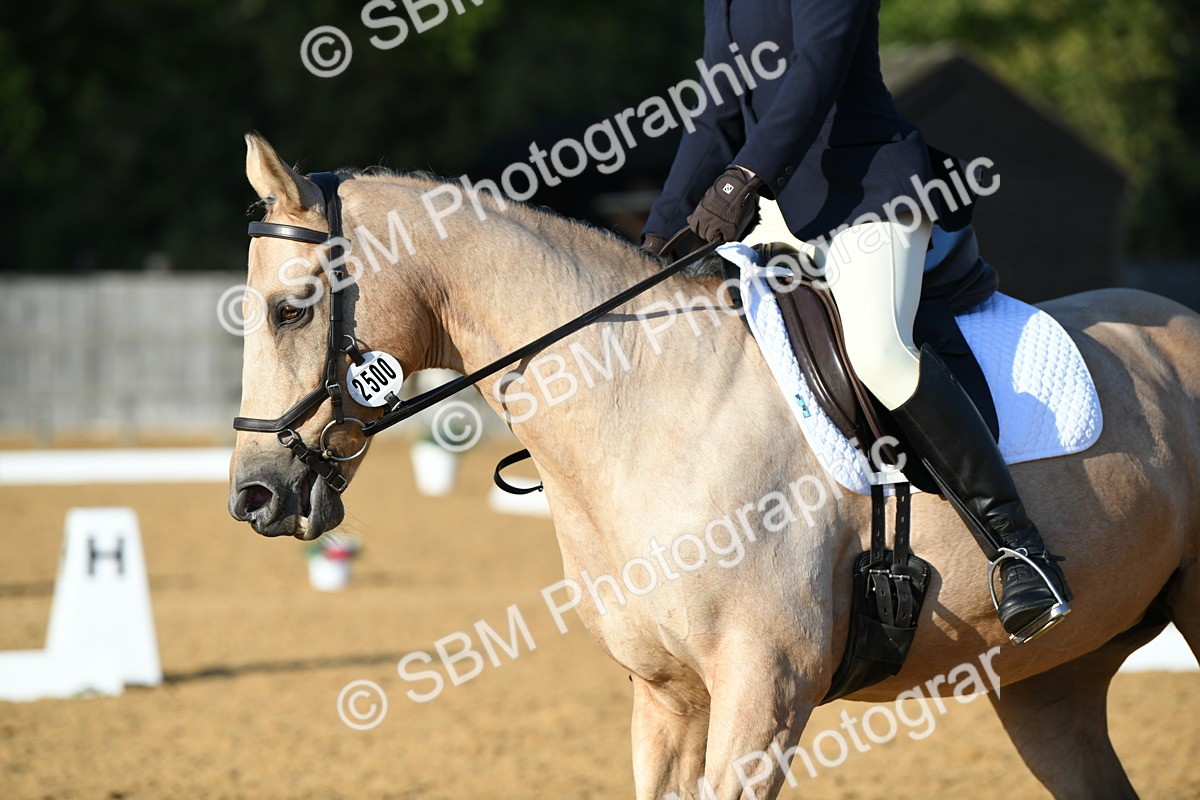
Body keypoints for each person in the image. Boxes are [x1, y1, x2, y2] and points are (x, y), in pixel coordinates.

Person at [641, 0, 1071, 643]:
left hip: (869, 192)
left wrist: (742, 178)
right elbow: (714, 113)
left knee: (877, 351)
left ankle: (1018, 548)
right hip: (781, 210)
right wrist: (657, 238)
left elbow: (820, 65)